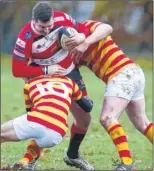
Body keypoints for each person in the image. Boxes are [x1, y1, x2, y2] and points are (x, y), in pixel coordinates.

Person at [11, 1, 112, 170]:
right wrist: (46, 69)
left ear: (53, 18)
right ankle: (28, 160)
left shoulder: (61, 18)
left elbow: (83, 29)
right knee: (48, 120)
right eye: (42, 27)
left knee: (84, 118)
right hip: (44, 78)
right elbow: (16, 69)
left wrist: (81, 37)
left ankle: (72, 156)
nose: (47, 30)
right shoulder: (25, 36)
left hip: (69, 72)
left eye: (49, 25)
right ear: (33, 21)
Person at [64, 19, 153, 170]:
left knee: (107, 118)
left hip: (122, 74)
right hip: (133, 73)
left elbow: (107, 27)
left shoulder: (86, 27)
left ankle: (127, 164)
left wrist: (86, 42)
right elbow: (71, 71)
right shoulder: (71, 51)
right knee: (142, 122)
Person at [1, 74, 93, 170]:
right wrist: (90, 102)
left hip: (37, 120)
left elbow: (29, 111)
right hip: (57, 133)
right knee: (38, 141)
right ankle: (24, 161)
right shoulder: (69, 82)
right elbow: (87, 107)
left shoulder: (29, 84)